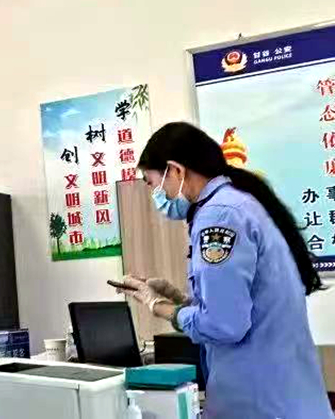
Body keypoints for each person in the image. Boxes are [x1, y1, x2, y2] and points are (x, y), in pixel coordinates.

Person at [121, 122, 332, 418]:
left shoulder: (219, 217)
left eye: (152, 183)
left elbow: (224, 324)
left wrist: (159, 306)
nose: (157, 194)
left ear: (176, 170)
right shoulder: (239, 204)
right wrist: (179, 298)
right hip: (284, 397)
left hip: (261, 403)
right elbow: (244, 304)